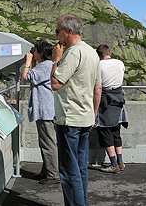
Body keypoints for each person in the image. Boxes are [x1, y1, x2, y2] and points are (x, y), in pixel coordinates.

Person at [49, 16, 108, 206]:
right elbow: (98, 88)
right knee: (81, 168)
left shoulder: (73, 53)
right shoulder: (92, 53)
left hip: (69, 119)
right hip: (85, 118)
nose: (56, 35)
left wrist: (55, 60)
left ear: (68, 32)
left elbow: (56, 83)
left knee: (68, 171)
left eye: (58, 31)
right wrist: (93, 114)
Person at [18, 43, 62, 184]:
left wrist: (28, 61)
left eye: (35, 51)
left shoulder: (44, 67)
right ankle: (47, 171)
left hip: (45, 111)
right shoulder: (49, 65)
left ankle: (53, 175)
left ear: (40, 53)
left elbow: (25, 78)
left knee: (48, 143)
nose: (33, 53)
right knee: (46, 142)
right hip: (49, 110)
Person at [92, 45, 129, 173]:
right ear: (110, 53)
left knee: (105, 131)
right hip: (118, 98)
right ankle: (120, 162)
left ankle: (113, 165)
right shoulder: (120, 63)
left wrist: (95, 111)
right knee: (116, 131)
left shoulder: (99, 65)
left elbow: (97, 87)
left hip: (105, 100)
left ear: (99, 55)